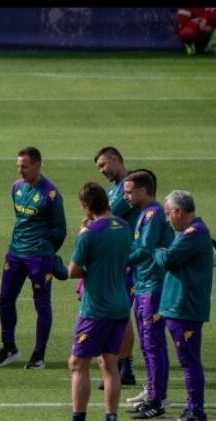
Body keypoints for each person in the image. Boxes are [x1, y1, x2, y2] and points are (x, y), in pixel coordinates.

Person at [46, 183, 132, 421]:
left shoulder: (89, 234)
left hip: (96, 309)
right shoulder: (124, 227)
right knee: (109, 363)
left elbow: (73, 271)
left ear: (85, 205)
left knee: (77, 363)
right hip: (120, 304)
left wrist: (83, 233)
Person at [0, 146, 67, 369]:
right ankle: (9, 347)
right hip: (15, 253)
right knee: (5, 299)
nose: (20, 171)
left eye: (24, 166)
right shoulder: (16, 188)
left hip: (39, 257)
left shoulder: (51, 194)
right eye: (18, 166)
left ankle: (38, 355)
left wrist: (45, 251)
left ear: (37, 165)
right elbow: (21, 220)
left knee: (41, 304)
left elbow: (60, 231)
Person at [156, 190, 214, 421]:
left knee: (189, 361)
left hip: (185, 307)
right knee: (187, 360)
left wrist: (157, 251)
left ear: (179, 212)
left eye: (169, 214)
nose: (168, 219)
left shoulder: (194, 233)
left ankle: (197, 414)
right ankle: (191, 409)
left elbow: (168, 260)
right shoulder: (189, 233)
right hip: (179, 306)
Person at [123, 171, 174, 419]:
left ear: (144, 191)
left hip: (153, 285)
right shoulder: (145, 214)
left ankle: (158, 399)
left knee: (153, 342)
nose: (126, 196)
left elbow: (144, 248)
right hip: (143, 283)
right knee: (146, 342)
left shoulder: (153, 214)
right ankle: (152, 392)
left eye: (129, 191)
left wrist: (118, 260)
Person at [94, 147, 140, 385]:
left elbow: (105, 217)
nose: (102, 171)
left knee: (121, 313)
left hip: (127, 258)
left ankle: (125, 366)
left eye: (103, 165)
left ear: (115, 159)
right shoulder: (115, 189)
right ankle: (124, 365)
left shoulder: (128, 187)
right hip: (118, 258)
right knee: (121, 313)